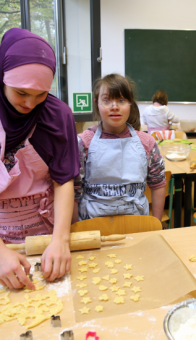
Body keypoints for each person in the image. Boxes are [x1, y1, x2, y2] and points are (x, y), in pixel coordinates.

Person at [0, 28, 79, 289]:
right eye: (21, 93)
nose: (30, 104)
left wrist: (60, 241)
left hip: (46, 231)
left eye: (41, 94)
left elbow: (64, 179)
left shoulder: (57, 116)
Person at [73, 74, 166, 223]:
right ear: (97, 104)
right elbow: (73, 192)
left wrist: (156, 225)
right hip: (92, 226)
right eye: (107, 100)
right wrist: (76, 231)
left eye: (121, 100)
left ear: (130, 104)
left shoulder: (147, 143)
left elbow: (158, 184)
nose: (114, 106)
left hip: (137, 226)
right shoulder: (83, 143)